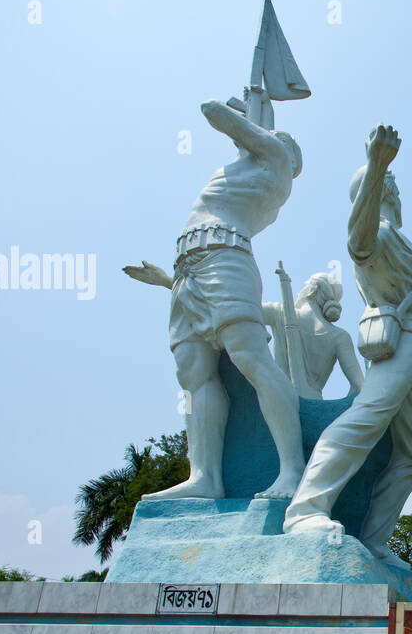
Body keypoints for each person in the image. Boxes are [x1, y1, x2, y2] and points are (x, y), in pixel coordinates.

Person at [282, 124, 412, 567]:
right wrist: (377, 165)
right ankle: (305, 510)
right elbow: (357, 244)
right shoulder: (375, 232)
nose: (395, 189)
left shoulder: (397, 238)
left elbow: (409, 295)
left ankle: (375, 540)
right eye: (386, 184)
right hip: (400, 349)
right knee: (362, 422)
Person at [123, 94, 305, 501]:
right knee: (193, 373)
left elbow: (211, 110)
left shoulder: (276, 159)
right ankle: (205, 477)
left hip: (226, 254)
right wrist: (166, 280)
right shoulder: (242, 170)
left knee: (250, 357)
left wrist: (245, 112)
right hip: (188, 268)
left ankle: (293, 472)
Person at [261, 269, 364, 400]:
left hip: (276, 397)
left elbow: (245, 310)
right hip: (314, 401)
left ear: (311, 290)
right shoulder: (339, 336)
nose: (299, 293)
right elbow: (358, 386)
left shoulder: (279, 312)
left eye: (304, 286)